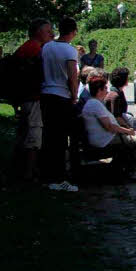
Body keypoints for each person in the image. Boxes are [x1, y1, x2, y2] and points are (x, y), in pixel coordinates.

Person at [40, 17, 81, 192]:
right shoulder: (69, 51)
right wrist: (74, 95)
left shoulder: (47, 47)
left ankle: (46, 175)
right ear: (73, 32)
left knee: (49, 137)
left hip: (46, 93)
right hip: (61, 96)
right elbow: (72, 76)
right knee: (62, 138)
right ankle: (60, 177)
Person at [81, 76, 136, 178]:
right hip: (103, 141)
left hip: (104, 138)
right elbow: (109, 126)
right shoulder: (95, 104)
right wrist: (127, 131)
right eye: (105, 88)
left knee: (135, 139)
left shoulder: (95, 103)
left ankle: (135, 169)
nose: (107, 90)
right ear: (99, 90)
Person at [13, 18, 53, 182]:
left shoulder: (26, 47)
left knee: (24, 134)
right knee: (33, 135)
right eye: (47, 31)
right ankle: (28, 174)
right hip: (33, 98)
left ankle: (19, 169)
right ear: (38, 32)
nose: (50, 34)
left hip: (26, 97)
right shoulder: (34, 49)